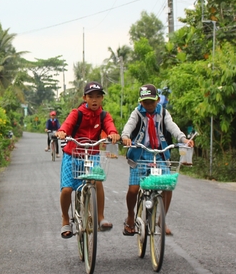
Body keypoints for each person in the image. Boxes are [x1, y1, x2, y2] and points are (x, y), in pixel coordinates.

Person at [121, 84, 194, 236]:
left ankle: (162, 219)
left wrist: (182, 138)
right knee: (133, 189)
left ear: (157, 100)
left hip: (159, 153)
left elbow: (171, 126)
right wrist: (126, 136)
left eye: (151, 102)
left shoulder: (163, 112)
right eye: (145, 102)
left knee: (168, 185)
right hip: (139, 153)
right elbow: (129, 126)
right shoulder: (137, 113)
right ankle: (130, 215)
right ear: (141, 102)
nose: (148, 105)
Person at [56, 81, 120, 238]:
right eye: (91, 97)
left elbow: (110, 126)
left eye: (98, 96)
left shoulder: (103, 115)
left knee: (97, 181)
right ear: (85, 98)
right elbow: (66, 125)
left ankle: (101, 217)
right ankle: (65, 219)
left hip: (91, 155)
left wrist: (113, 133)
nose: (95, 100)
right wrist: (62, 132)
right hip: (72, 154)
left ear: (102, 99)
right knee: (67, 189)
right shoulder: (76, 113)